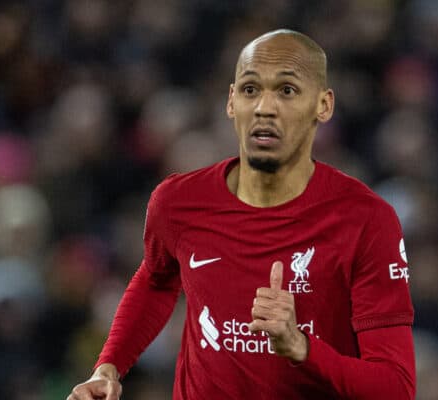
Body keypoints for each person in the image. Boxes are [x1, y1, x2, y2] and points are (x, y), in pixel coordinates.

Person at [67, 29, 415, 400]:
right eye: (251, 90)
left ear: (323, 105)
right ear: (232, 102)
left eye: (287, 90)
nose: (265, 107)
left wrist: (302, 348)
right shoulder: (177, 202)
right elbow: (157, 278)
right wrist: (109, 366)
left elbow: (395, 387)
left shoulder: (366, 220)